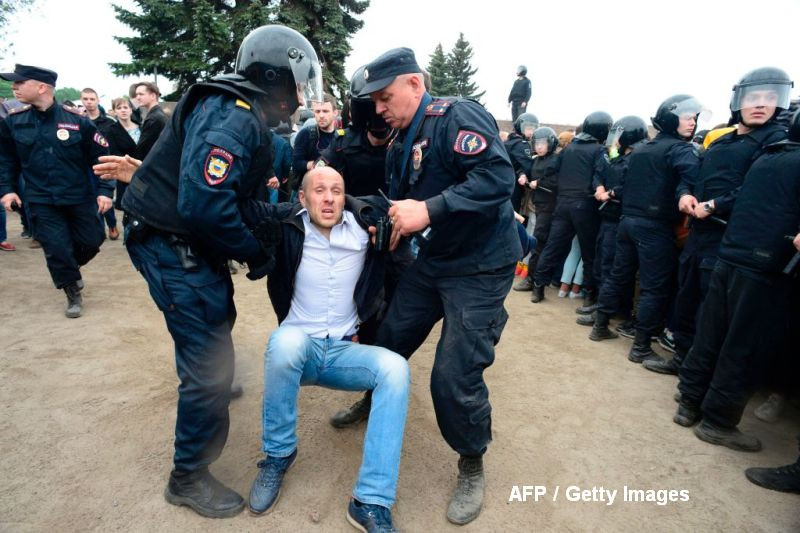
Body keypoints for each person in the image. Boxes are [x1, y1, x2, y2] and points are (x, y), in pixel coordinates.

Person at [110, 25, 323, 518]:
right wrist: (253, 252)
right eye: (296, 83)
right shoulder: (233, 117)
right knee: (208, 357)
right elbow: (206, 206)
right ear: (274, 77)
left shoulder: (240, 112)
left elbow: (232, 200)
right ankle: (187, 475)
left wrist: (284, 214)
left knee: (216, 317)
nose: (300, 95)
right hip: (170, 242)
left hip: (180, 237)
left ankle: (211, 383)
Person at [332, 47, 521, 526]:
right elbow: (404, 199)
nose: (379, 108)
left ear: (415, 84)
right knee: (388, 339)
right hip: (434, 261)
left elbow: (498, 178)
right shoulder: (401, 140)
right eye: (374, 101)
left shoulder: (455, 116)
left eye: (385, 97)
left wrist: (430, 210)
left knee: (454, 374)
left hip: (480, 269)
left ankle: (471, 460)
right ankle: (373, 397)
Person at [244, 166, 408, 532]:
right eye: (319, 190)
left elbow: (408, 216)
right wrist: (152, 176)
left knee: (395, 368)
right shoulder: (286, 224)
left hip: (344, 353)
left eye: (337, 190)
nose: (329, 198)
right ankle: (278, 455)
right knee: (284, 341)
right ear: (302, 198)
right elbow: (235, 204)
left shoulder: (368, 227)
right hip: (299, 350)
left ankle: (371, 500)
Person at [644, 68, 792, 376]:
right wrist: (685, 194)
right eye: (753, 97)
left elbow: (755, 189)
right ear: (739, 101)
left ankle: (698, 373)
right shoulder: (723, 142)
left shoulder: (776, 143)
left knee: (711, 311)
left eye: (769, 97)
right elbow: (694, 177)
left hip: (731, 238)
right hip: (700, 234)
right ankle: (682, 360)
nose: (760, 104)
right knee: (687, 299)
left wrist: (714, 205)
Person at [672, 109, 800, 452]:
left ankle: (689, 401)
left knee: (710, 334)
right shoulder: (771, 152)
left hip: (730, 255)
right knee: (743, 346)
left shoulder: (769, 157)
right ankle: (718, 422)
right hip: (765, 268)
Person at [589, 95, 702, 363]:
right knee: (654, 287)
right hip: (655, 225)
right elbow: (693, 180)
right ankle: (640, 346)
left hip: (627, 221)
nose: (693, 123)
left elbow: (624, 184)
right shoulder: (681, 150)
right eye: (687, 117)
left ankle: (600, 325)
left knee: (618, 275)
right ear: (671, 120)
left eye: (694, 118)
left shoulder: (642, 150)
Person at [0, 64, 111, 318]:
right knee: (56, 248)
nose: (14, 87)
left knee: (93, 240)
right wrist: (7, 190)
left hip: (78, 196)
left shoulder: (78, 121)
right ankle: (72, 290)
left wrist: (105, 191)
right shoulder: (14, 122)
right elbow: (5, 160)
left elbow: (101, 157)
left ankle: (68, 268)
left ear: (42, 87)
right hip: (41, 199)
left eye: (20, 82)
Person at [530, 111, 612, 306]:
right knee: (588, 252)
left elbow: (552, 170)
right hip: (585, 205)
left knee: (552, 247)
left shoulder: (568, 148)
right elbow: (601, 174)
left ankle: (538, 287)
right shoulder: (599, 150)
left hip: (562, 204)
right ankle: (589, 295)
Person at [575, 116, 648, 324]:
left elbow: (631, 185)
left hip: (618, 219)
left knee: (612, 267)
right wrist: (599, 187)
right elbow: (601, 173)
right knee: (602, 264)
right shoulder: (617, 156)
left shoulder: (636, 159)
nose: (614, 139)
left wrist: (612, 193)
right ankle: (602, 304)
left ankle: (610, 310)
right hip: (607, 218)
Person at [317, 65, 396, 197]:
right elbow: (317, 174)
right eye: (370, 108)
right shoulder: (343, 141)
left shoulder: (406, 141)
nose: (378, 112)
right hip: (353, 208)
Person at [81, 87, 120, 239]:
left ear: (98, 100)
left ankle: (111, 224)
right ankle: (97, 227)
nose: (89, 102)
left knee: (105, 194)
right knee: (91, 197)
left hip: (106, 163)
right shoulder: (79, 120)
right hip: (86, 165)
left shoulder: (109, 122)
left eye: (92, 99)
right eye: (85, 99)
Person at [292, 93, 338, 188]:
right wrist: (315, 165)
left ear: (335, 113)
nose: (321, 115)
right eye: (317, 111)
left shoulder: (341, 136)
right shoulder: (306, 134)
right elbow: (296, 164)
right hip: (309, 188)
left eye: (325, 111)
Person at [103, 97, 140, 211]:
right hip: (125, 172)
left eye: (125, 107)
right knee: (128, 208)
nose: (123, 110)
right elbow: (113, 152)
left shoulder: (141, 127)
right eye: (119, 108)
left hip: (142, 170)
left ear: (131, 110)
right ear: (114, 111)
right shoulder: (111, 130)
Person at [503, 112, 538, 215]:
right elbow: (528, 167)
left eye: (533, 129)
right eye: (529, 129)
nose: (531, 132)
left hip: (503, 184)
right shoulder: (521, 144)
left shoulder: (508, 142)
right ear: (520, 127)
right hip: (514, 187)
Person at [133, 81, 167, 161]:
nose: (137, 97)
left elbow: (143, 149)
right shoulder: (157, 114)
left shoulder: (154, 118)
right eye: (136, 94)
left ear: (153, 96)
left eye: (141, 94)